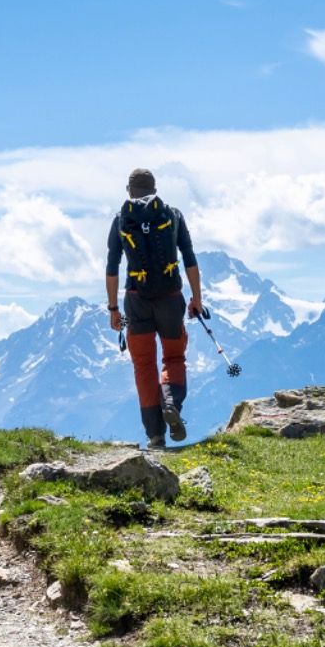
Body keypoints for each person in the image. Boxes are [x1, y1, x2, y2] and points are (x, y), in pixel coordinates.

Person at [106, 168, 202, 449]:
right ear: (155, 188)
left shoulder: (121, 220)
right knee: (173, 357)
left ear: (129, 191)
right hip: (171, 298)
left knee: (143, 365)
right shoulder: (173, 215)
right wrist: (197, 298)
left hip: (135, 300)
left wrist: (113, 309)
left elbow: (112, 268)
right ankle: (170, 401)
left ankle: (155, 435)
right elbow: (190, 258)